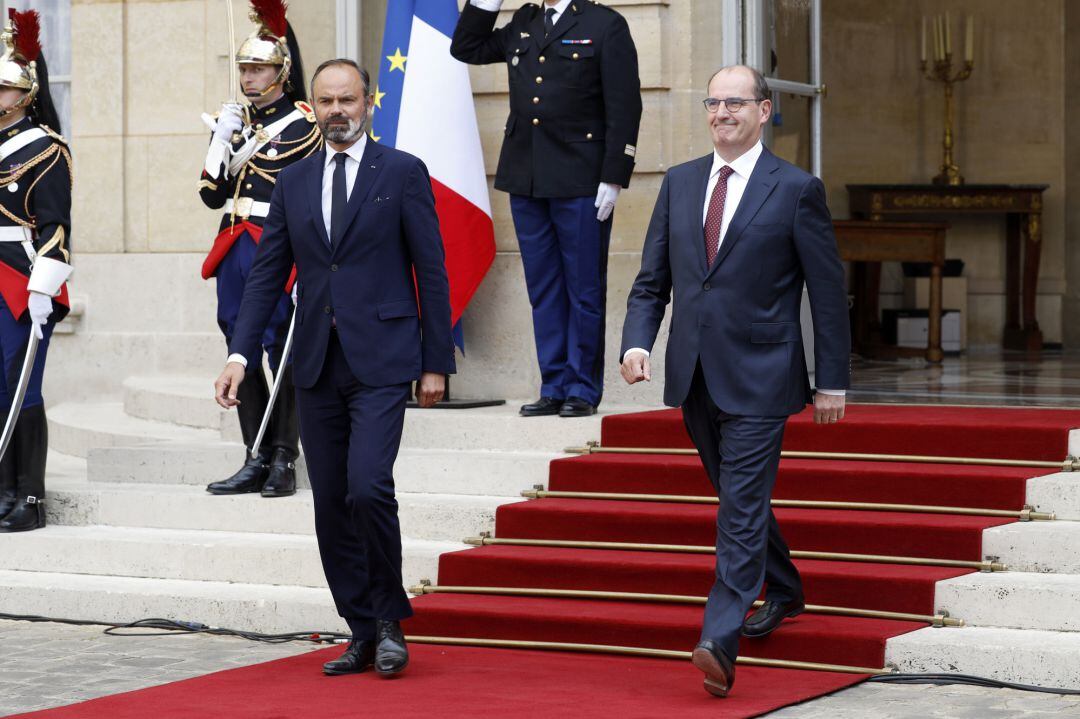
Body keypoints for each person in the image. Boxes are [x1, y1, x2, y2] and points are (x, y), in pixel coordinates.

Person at [214, 59, 454, 677]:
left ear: (367, 103)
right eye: (326, 101)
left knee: (368, 487)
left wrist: (435, 363)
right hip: (314, 362)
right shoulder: (292, 181)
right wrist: (240, 355)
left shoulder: (401, 172)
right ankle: (360, 627)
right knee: (329, 502)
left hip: (381, 360)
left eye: (348, 99)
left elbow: (431, 269)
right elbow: (267, 275)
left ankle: (390, 620)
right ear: (312, 107)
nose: (338, 111)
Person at [619, 65, 850, 697]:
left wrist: (831, 380)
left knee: (740, 509)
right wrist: (638, 341)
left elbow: (827, 297)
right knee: (736, 498)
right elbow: (652, 281)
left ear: (765, 110)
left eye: (736, 103)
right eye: (713, 103)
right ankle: (788, 588)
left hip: (763, 376)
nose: (722, 113)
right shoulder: (681, 182)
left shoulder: (797, 189)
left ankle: (719, 637)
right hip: (693, 375)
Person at [451, 0, 641, 417]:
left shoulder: (604, 24)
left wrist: (614, 175)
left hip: (580, 178)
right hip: (527, 176)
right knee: (544, 288)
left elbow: (626, 106)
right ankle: (553, 383)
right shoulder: (525, 20)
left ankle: (582, 388)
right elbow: (466, 47)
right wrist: (486, 3)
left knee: (583, 288)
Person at [199, 0, 320, 498]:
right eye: (245, 68)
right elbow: (211, 195)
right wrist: (222, 141)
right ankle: (255, 453)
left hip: (280, 247)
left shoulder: (304, 123)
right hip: (235, 244)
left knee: (280, 347)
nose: (249, 77)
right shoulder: (238, 121)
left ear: (282, 70)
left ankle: (285, 456)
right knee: (238, 346)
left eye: (259, 68)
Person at [0, 11, 73, 533]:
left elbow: (55, 225)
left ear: (25, 95)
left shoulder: (46, 148)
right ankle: (3, 486)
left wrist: (46, 283)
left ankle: (31, 495)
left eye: (4, 89)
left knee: (22, 383)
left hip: (21, 277)